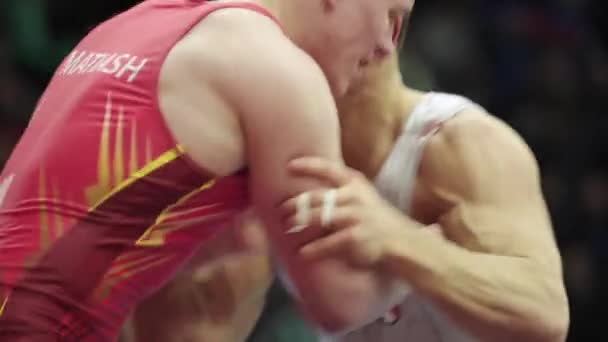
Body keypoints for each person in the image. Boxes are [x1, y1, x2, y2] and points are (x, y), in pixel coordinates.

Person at [0, 0, 415, 340]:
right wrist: (428, 245)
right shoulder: (279, 71)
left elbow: (102, 221)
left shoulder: (139, 20)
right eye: (392, 19)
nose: (386, 49)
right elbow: (337, 300)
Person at [280, 50, 571, 341]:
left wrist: (398, 239)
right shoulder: (275, 154)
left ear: (386, 31)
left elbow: (543, 312)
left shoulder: (461, 143)